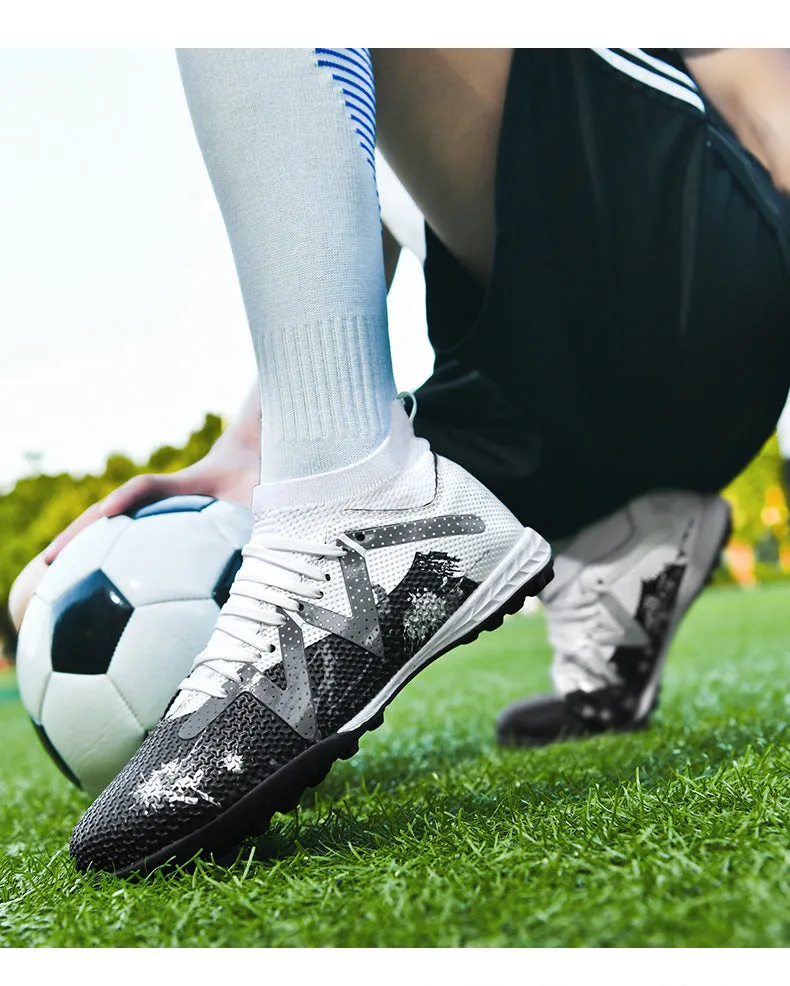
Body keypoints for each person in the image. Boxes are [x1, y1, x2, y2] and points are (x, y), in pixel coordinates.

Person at [10, 49, 790, 875]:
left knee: (385, 478)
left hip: (695, 273)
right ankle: (625, 536)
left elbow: (762, 89)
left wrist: (328, 470)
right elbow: (374, 192)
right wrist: (253, 449)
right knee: (32, 595)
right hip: (565, 385)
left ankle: (356, 495)